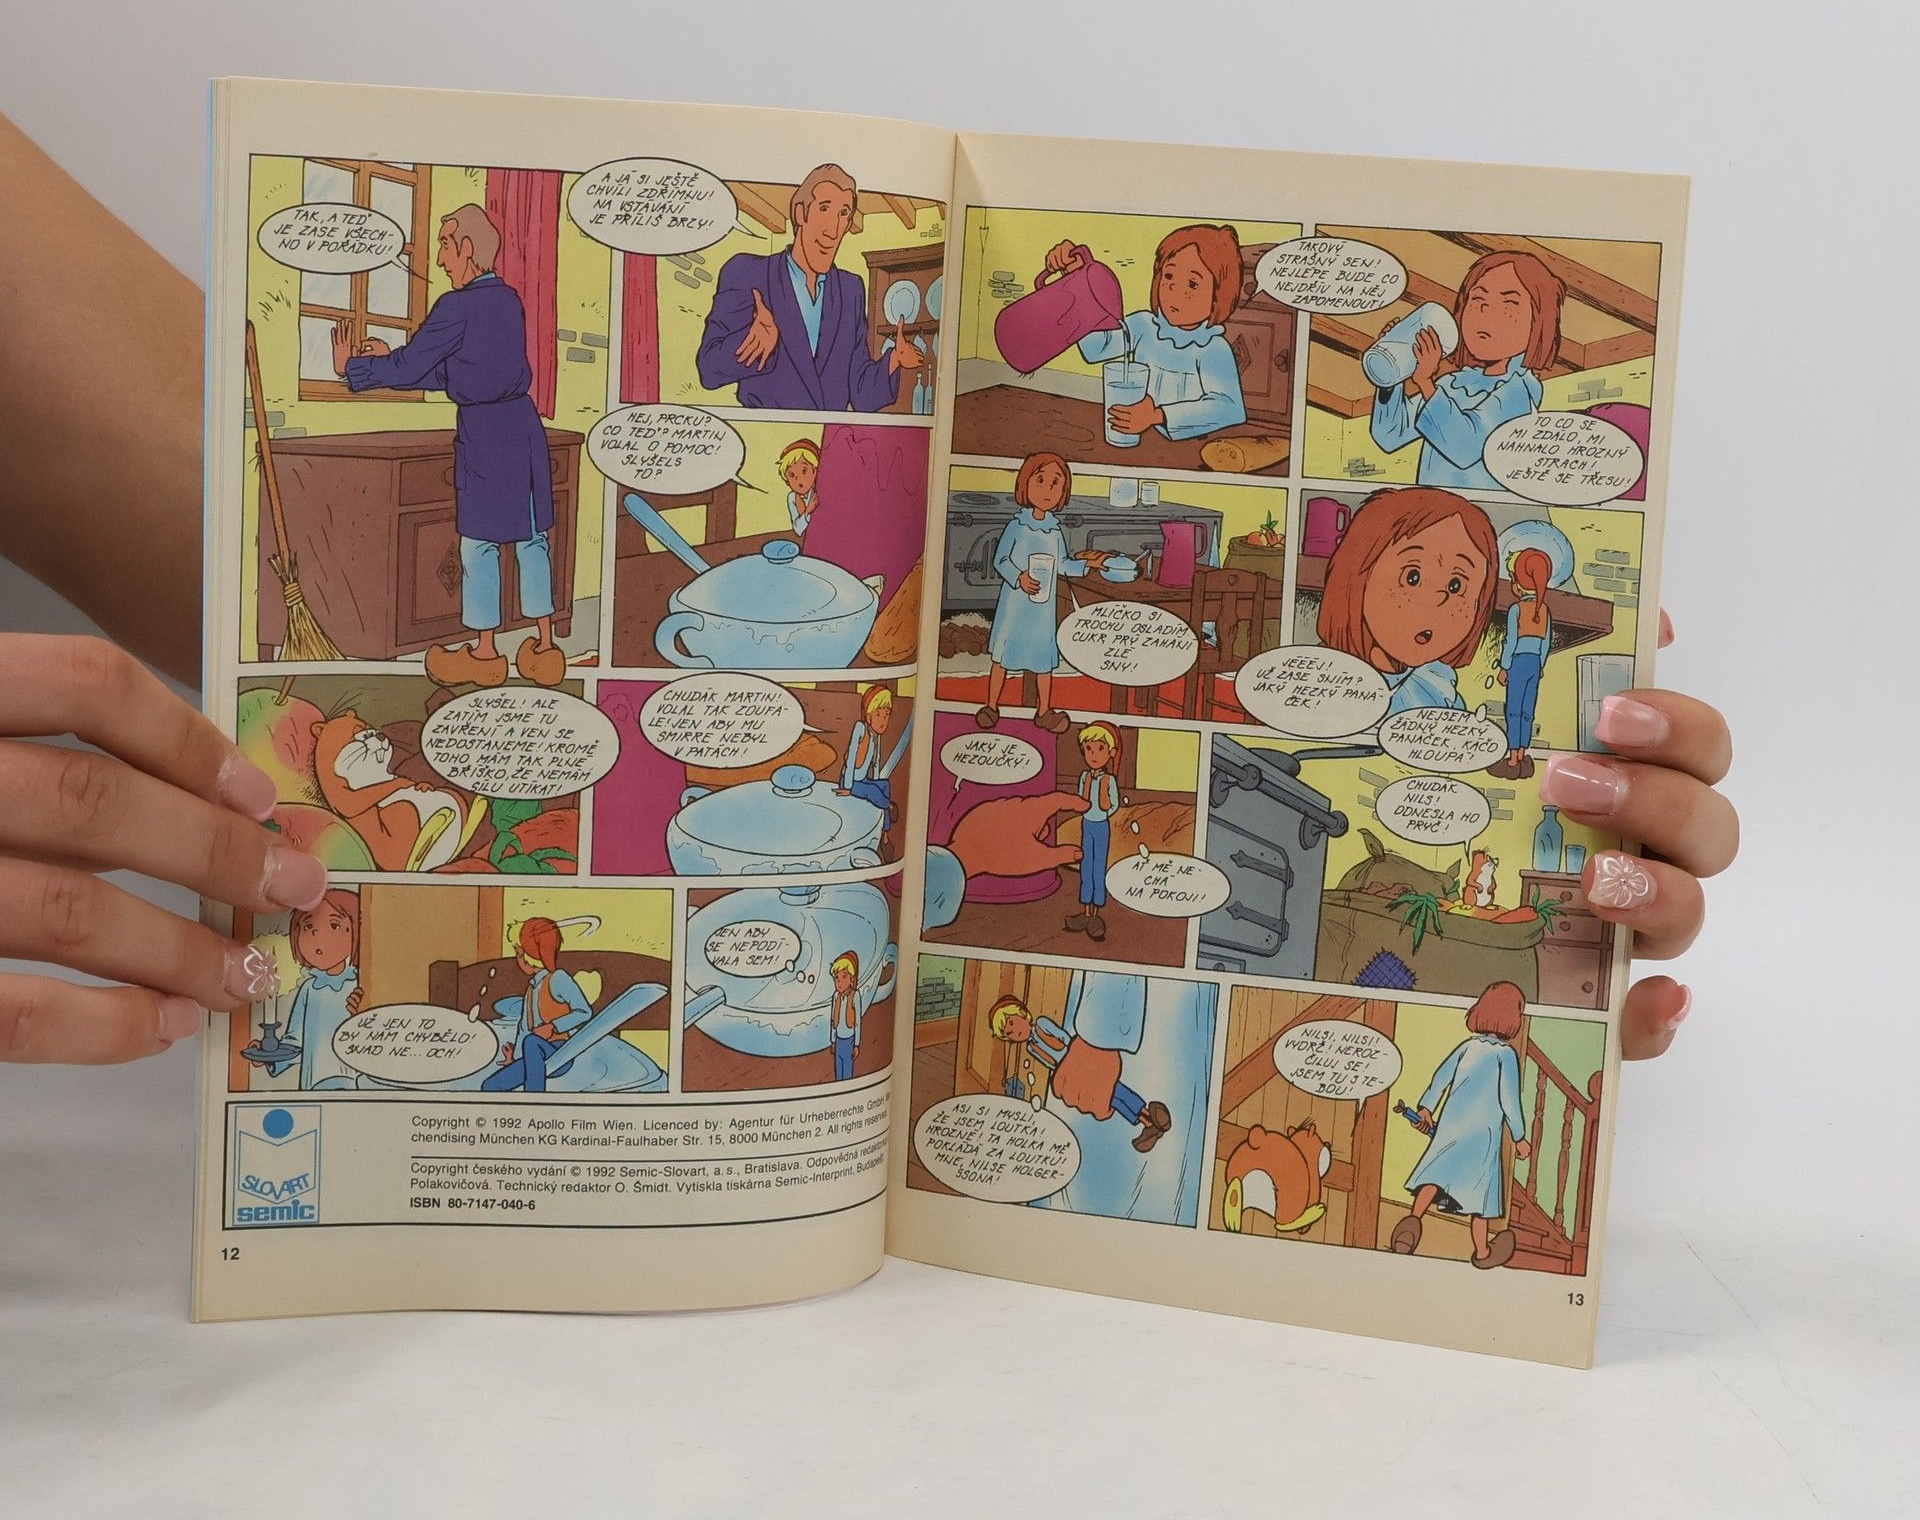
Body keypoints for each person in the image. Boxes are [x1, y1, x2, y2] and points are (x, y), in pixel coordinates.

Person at [0, 109, 1734, 1068]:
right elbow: (750, 382)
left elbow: (179, 478)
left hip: (902, 640)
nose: (828, 229)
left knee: (543, 584)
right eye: (820, 213)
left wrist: (1521, 773)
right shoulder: (763, 290)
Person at [330, 203, 564, 690]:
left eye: (445, 246)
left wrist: (351, 368)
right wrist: (388, 362)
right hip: (522, 428)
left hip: (486, 434)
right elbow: (456, 371)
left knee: (478, 544)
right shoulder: (508, 300)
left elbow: (413, 366)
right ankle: (545, 649)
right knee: (532, 538)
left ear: (468, 248)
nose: (439, 258)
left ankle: (485, 655)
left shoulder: (456, 307)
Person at [696, 163, 925, 411]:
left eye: (843, 213)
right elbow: (708, 369)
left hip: (829, 432)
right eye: (824, 208)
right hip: (768, 430)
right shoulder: (748, 272)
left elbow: (860, 393)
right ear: (800, 214)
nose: (833, 230)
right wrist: (752, 343)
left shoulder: (851, 290)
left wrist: (894, 359)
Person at [1367, 250, 1566, 489]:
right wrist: (1392, 373)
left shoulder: (1520, 391)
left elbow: (1464, 447)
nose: (1485, 311)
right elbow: (1390, 435)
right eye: (1478, 299)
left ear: (1539, 322)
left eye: (1509, 303)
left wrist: (1426, 383)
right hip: (1435, 506)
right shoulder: (1453, 384)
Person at [1042, 223, 1247, 442]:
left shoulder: (1214, 349)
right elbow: (1095, 348)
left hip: (1189, 444)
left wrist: (1156, 416)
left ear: (1219, 296)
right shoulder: (1144, 325)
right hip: (1135, 436)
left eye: (1192, 284)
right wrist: (1077, 278)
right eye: (1169, 276)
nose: (1174, 289)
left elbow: (1230, 408)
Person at [1316, 486, 1500, 717]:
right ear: (1359, 576)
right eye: (1412, 577)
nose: (1437, 600)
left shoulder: (1437, 683)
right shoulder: (1325, 673)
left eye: (1456, 586)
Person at [1390, 980, 1534, 1269]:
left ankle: (1412, 1222)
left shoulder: (1467, 1047)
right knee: (1480, 1199)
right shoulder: (1506, 1054)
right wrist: (1519, 1137)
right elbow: (1509, 1099)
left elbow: (1440, 1078)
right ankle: (1482, 1252)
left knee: (1434, 1177)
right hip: (1483, 1136)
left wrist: (1426, 1108)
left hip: (1451, 1128)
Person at [979, 451, 1092, 733]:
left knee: (1044, 662)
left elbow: (1063, 564)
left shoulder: (1054, 531)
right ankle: (991, 706)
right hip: (1015, 606)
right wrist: (1019, 577)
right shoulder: (1016, 526)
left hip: (1042, 610)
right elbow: (1000, 560)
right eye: (1040, 480)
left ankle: (1043, 711)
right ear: (1025, 483)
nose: (1047, 490)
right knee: (1002, 657)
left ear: (1063, 492)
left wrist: (1088, 566)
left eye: (1055, 483)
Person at [988, 994, 1171, 1153]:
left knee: (1115, 1088)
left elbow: (1062, 1037)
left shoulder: (1041, 1024)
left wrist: (1077, 1057)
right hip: (1067, 1071)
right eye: (1008, 1033)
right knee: (1106, 1098)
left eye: (1011, 1023)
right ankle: (1147, 1124)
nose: (1014, 1031)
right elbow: (1049, 1063)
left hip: (1078, 1058)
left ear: (1021, 1013)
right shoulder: (1030, 1048)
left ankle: (1148, 1113)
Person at [481, 917, 591, 1094]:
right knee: (490, 1086)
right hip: (533, 1054)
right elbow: (524, 1028)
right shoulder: (532, 988)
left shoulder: (558, 979)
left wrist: (553, 1027)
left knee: (532, 1042)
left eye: (521, 953)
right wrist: (515, 1057)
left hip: (559, 1052)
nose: (519, 959)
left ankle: (534, 1100)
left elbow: (585, 1012)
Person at [282, 890, 362, 1090]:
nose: (317, 936)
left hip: (354, 1083)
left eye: (334, 926)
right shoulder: (309, 989)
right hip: (315, 1083)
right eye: (308, 926)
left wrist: (362, 1015)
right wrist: (269, 1055)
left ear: (355, 930)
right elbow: (294, 1041)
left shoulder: (360, 985)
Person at [1496, 546, 1555, 777]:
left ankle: (1512, 759)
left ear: (1518, 584)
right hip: (1534, 663)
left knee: (1513, 710)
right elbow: (1546, 644)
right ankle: (1522, 753)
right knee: (1527, 710)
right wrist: (1540, 665)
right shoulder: (1545, 611)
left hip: (1518, 662)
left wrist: (1504, 667)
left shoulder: (1516, 609)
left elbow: (1511, 640)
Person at [1067, 722, 1121, 942]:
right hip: (1086, 824)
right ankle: (1085, 912)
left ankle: (1096, 915)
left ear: (1110, 752)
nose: (1094, 755)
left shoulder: (1109, 780)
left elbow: (1115, 804)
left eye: (1100, 748)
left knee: (1098, 867)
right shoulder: (1084, 777)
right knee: (1086, 866)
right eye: (1089, 749)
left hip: (1101, 826)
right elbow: (1081, 797)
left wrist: (1104, 812)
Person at [837, 683, 897, 849]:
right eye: (878, 714)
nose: (883, 720)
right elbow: (850, 759)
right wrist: (847, 787)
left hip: (863, 781)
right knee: (873, 792)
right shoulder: (860, 728)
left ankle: (885, 834)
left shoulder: (876, 736)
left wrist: (876, 781)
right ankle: (889, 806)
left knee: (884, 786)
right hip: (851, 782)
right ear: (869, 716)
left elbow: (876, 762)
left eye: (886, 715)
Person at [779, 438, 821, 537]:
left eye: (804, 471)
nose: (798, 479)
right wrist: (807, 511)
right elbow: (798, 530)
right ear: (787, 482)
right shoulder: (792, 498)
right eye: (792, 475)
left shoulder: (819, 490)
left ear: (814, 471)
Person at [828, 951, 860, 1081]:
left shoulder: (855, 996)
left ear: (852, 979)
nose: (839, 982)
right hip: (839, 1040)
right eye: (836, 978)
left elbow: (857, 1023)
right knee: (838, 1071)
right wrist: (833, 1040)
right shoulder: (836, 996)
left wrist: (856, 1045)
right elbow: (833, 1021)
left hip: (849, 1040)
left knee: (847, 1072)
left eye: (844, 976)